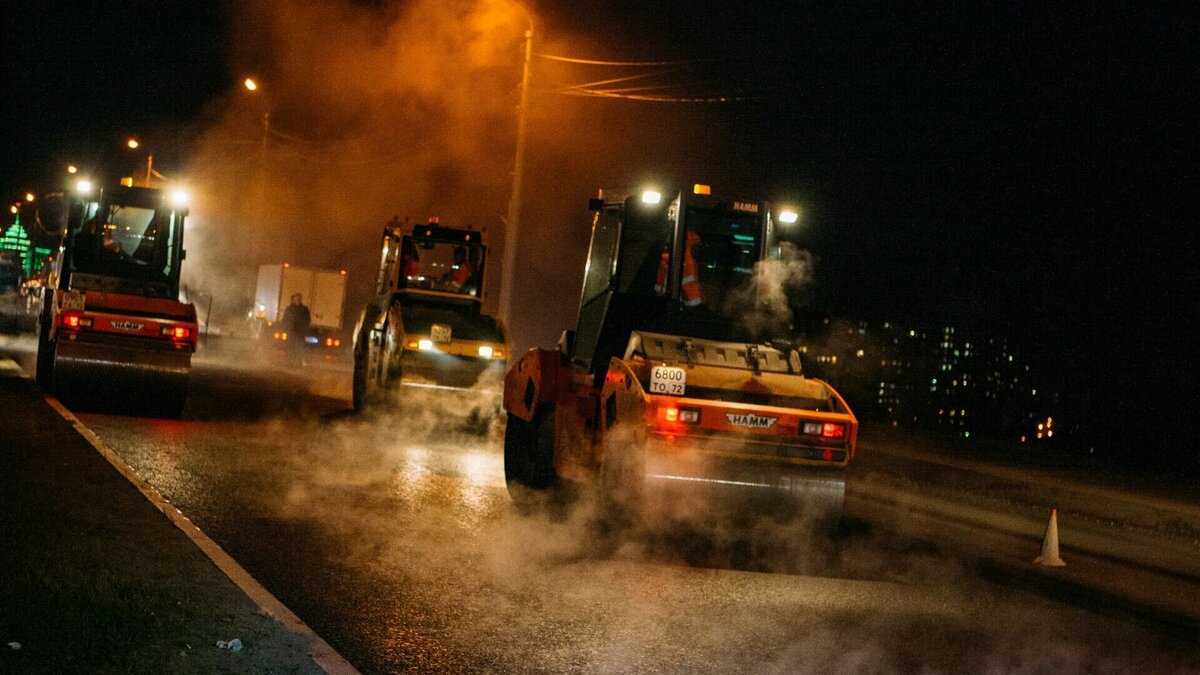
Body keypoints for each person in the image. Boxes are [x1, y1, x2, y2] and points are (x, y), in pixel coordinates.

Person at [280, 293, 311, 363]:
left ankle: (298, 361)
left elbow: (308, 320)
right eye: (296, 299)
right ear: (294, 299)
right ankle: (289, 360)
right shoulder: (289, 309)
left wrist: (304, 328)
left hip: (300, 332)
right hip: (291, 331)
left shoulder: (304, 309)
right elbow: (285, 319)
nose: (297, 300)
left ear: (301, 299)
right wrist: (284, 328)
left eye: (299, 299)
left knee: (299, 346)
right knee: (290, 346)